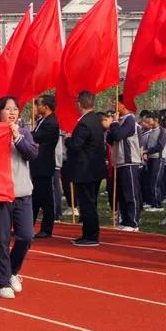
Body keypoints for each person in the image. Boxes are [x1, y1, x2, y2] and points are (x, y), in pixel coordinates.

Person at [0, 97, 38, 299]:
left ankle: (12, 271)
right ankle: (2, 282)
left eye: (15, 109)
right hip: (0, 194)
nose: (12, 112)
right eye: (7, 109)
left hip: (23, 192)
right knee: (1, 239)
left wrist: (16, 136)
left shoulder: (24, 132)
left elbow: (32, 154)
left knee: (26, 236)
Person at [64, 91, 107, 246]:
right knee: (91, 203)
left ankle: (91, 236)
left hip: (86, 170)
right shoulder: (96, 120)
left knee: (87, 204)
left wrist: (68, 139)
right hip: (95, 169)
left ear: (79, 104)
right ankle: (89, 234)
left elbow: (76, 146)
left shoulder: (84, 123)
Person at [106, 96, 143, 231]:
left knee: (130, 193)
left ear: (124, 105)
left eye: (117, 103)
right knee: (121, 193)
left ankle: (133, 222)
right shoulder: (119, 121)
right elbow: (110, 139)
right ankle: (125, 219)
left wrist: (114, 123)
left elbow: (118, 135)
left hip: (129, 161)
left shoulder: (130, 120)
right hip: (119, 161)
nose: (115, 105)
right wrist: (113, 124)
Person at [30, 94, 59, 238]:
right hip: (37, 165)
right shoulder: (43, 120)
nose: (36, 107)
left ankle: (47, 229)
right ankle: (28, 226)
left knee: (45, 199)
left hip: (44, 165)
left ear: (46, 107)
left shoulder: (51, 123)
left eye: (38, 104)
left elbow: (34, 137)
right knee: (35, 198)